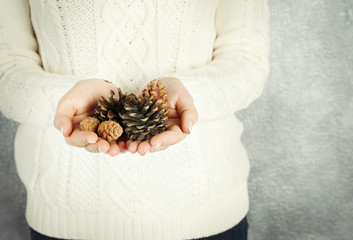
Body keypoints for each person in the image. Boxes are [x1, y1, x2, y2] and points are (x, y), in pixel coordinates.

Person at [0, 0, 269, 239]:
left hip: (209, 210)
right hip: (65, 213)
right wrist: (67, 102)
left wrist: (182, 98)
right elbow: (7, 70)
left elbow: (246, 61)